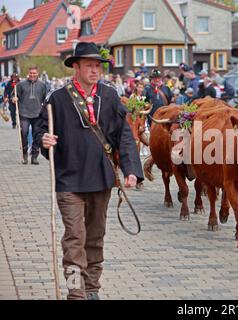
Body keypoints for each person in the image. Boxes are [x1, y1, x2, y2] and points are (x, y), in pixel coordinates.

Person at [34, 42, 144, 299]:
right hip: (69, 180)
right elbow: (40, 128)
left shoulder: (110, 96)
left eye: (98, 66)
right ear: (76, 67)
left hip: (101, 178)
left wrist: (130, 169)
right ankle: (76, 291)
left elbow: (124, 136)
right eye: (89, 66)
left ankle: (92, 288)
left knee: (95, 239)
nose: (95, 70)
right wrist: (43, 139)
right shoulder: (57, 99)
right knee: (74, 239)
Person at [12, 66, 47, 165]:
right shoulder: (21, 84)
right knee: (24, 133)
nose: (32, 75)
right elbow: (14, 95)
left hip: (37, 114)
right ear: (28, 73)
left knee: (36, 136)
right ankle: (24, 154)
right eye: (31, 73)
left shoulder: (42, 85)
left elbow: (46, 98)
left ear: (38, 74)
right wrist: (14, 98)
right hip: (24, 113)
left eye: (34, 73)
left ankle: (35, 156)